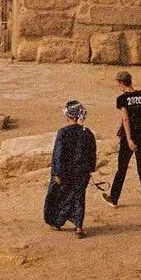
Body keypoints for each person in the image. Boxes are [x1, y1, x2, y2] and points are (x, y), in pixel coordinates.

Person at [44, 100, 97, 238]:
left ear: (68, 116)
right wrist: (91, 170)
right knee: (78, 198)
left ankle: (56, 222)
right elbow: (92, 153)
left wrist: (57, 173)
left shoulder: (63, 132)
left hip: (65, 173)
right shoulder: (87, 133)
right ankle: (79, 227)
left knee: (59, 197)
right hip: (82, 172)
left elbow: (58, 154)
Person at [103, 71, 141, 211]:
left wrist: (129, 139)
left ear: (121, 82)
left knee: (122, 169)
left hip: (129, 138)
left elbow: (125, 119)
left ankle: (114, 198)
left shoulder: (122, 99)